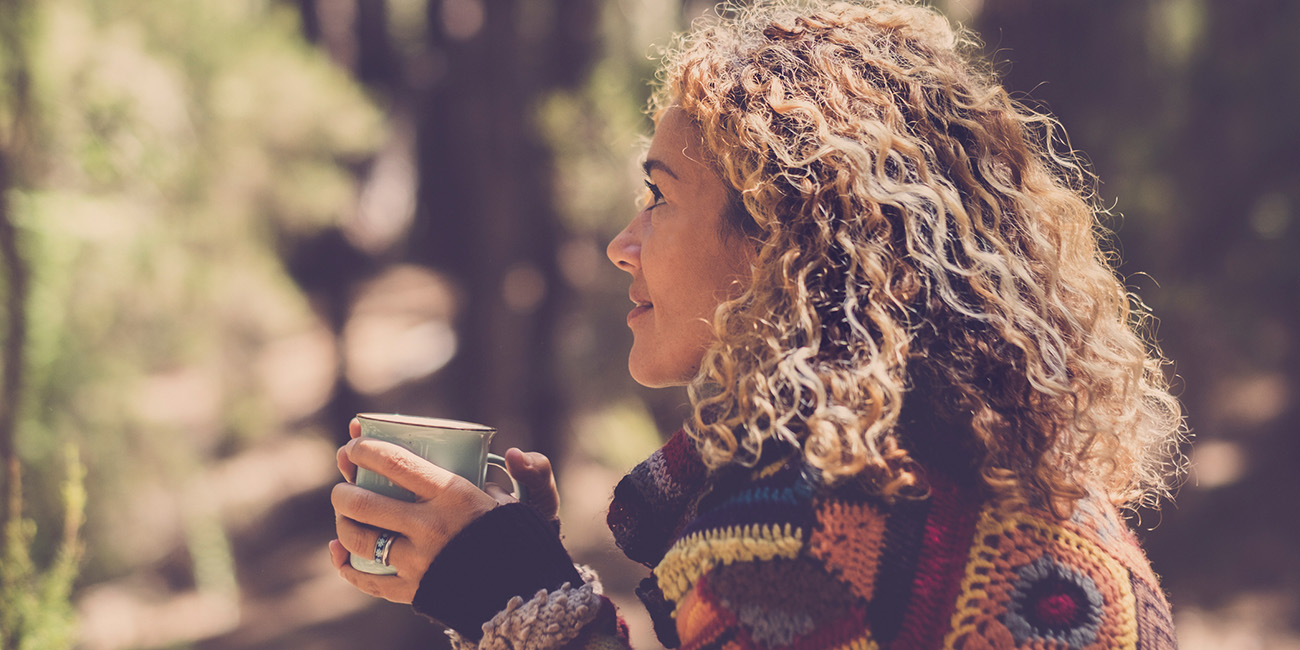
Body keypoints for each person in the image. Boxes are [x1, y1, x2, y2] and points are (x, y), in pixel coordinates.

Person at [329, 1, 1186, 648]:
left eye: (660, 196)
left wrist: (509, 592)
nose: (622, 245)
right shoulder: (992, 469)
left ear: (788, 239)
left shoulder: (801, 537)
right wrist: (524, 584)